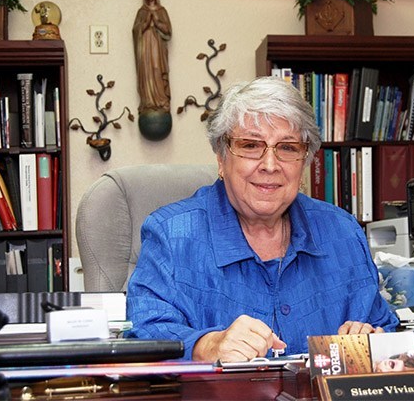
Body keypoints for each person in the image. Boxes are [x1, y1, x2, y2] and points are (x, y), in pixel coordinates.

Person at [126, 77, 399, 363]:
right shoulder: (170, 235)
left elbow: (387, 330)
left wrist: (371, 341)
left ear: (304, 161)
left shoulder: (342, 232)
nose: (270, 165)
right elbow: (146, 336)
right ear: (221, 158)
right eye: (251, 145)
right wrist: (207, 346)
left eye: (288, 148)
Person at [132, 0, 172, 113]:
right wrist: (146, 23)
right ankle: (148, 101)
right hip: (144, 50)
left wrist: (157, 21)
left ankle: (161, 100)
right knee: (147, 73)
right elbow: (135, 30)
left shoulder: (161, 11)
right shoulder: (141, 12)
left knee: (157, 69)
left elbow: (168, 30)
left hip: (157, 47)